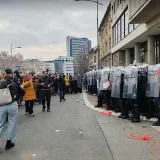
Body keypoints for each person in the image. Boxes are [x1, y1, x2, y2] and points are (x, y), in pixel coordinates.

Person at [0, 69, 24, 151]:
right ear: (11, 78)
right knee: (12, 123)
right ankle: (9, 142)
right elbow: (22, 93)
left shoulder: (0, 84)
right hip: (12, 104)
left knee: (0, 124)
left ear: (4, 77)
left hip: (1, 105)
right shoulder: (14, 84)